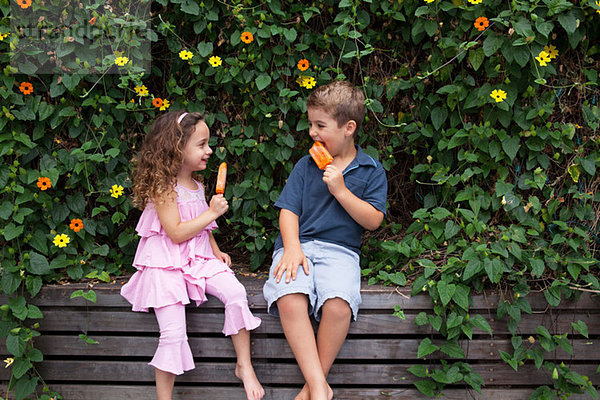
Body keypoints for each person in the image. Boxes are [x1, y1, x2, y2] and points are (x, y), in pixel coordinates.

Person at [121, 111, 265, 400]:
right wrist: (211, 212)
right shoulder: (163, 188)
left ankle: (244, 365)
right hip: (165, 265)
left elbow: (202, 227)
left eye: (208, 143)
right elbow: (175, 232)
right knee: (173, 334)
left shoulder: (197, 186)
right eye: (201, 144)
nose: (209, 150)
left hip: (197, 259)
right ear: (176, 148)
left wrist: (215, 250)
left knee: (236, 293)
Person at [263, 81, 388, 400]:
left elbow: (373, 220)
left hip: (341, 251)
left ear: (349, 128)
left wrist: (341, 190)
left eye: (320, 125)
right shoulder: (305, 167)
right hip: (298, 246)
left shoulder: (371, 170)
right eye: (311, 124)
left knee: (338, 304)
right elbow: (288, 211)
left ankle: (311, 388)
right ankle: (319, 388)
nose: (312, 133)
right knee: (290, 297)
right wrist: (291, 247)